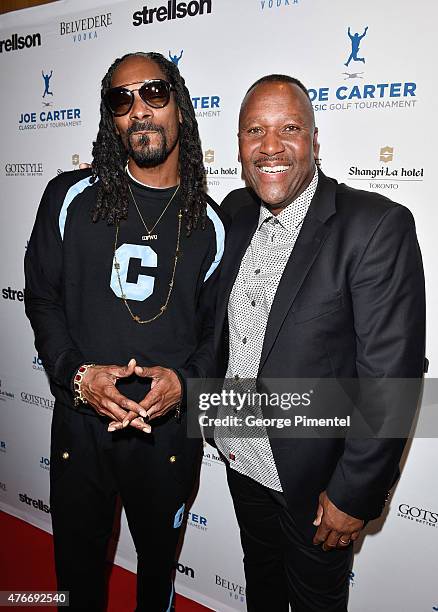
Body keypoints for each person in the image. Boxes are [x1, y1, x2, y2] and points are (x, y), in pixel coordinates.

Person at [213, 75, 426, 611]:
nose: (270, 146)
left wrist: (352, 495)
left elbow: (391, 378)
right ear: (239, 143)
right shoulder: (234, 213)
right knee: (261, 590)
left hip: (316, 487)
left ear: (314, 140)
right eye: (254, 131)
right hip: (242, 463)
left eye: (289, 129)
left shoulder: (375, 225)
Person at [24, 51, 226, 612]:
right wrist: (77, 376)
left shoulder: (211, 224)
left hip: (166, 439)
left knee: (157, 579)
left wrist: (185, 384)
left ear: (180, 107)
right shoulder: (68, 196)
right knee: (75, 582)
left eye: (154, 94)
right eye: (121, 99)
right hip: (81, 427)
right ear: (111, 118)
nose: (139, 110)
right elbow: (42, 299)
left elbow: (217, 336)